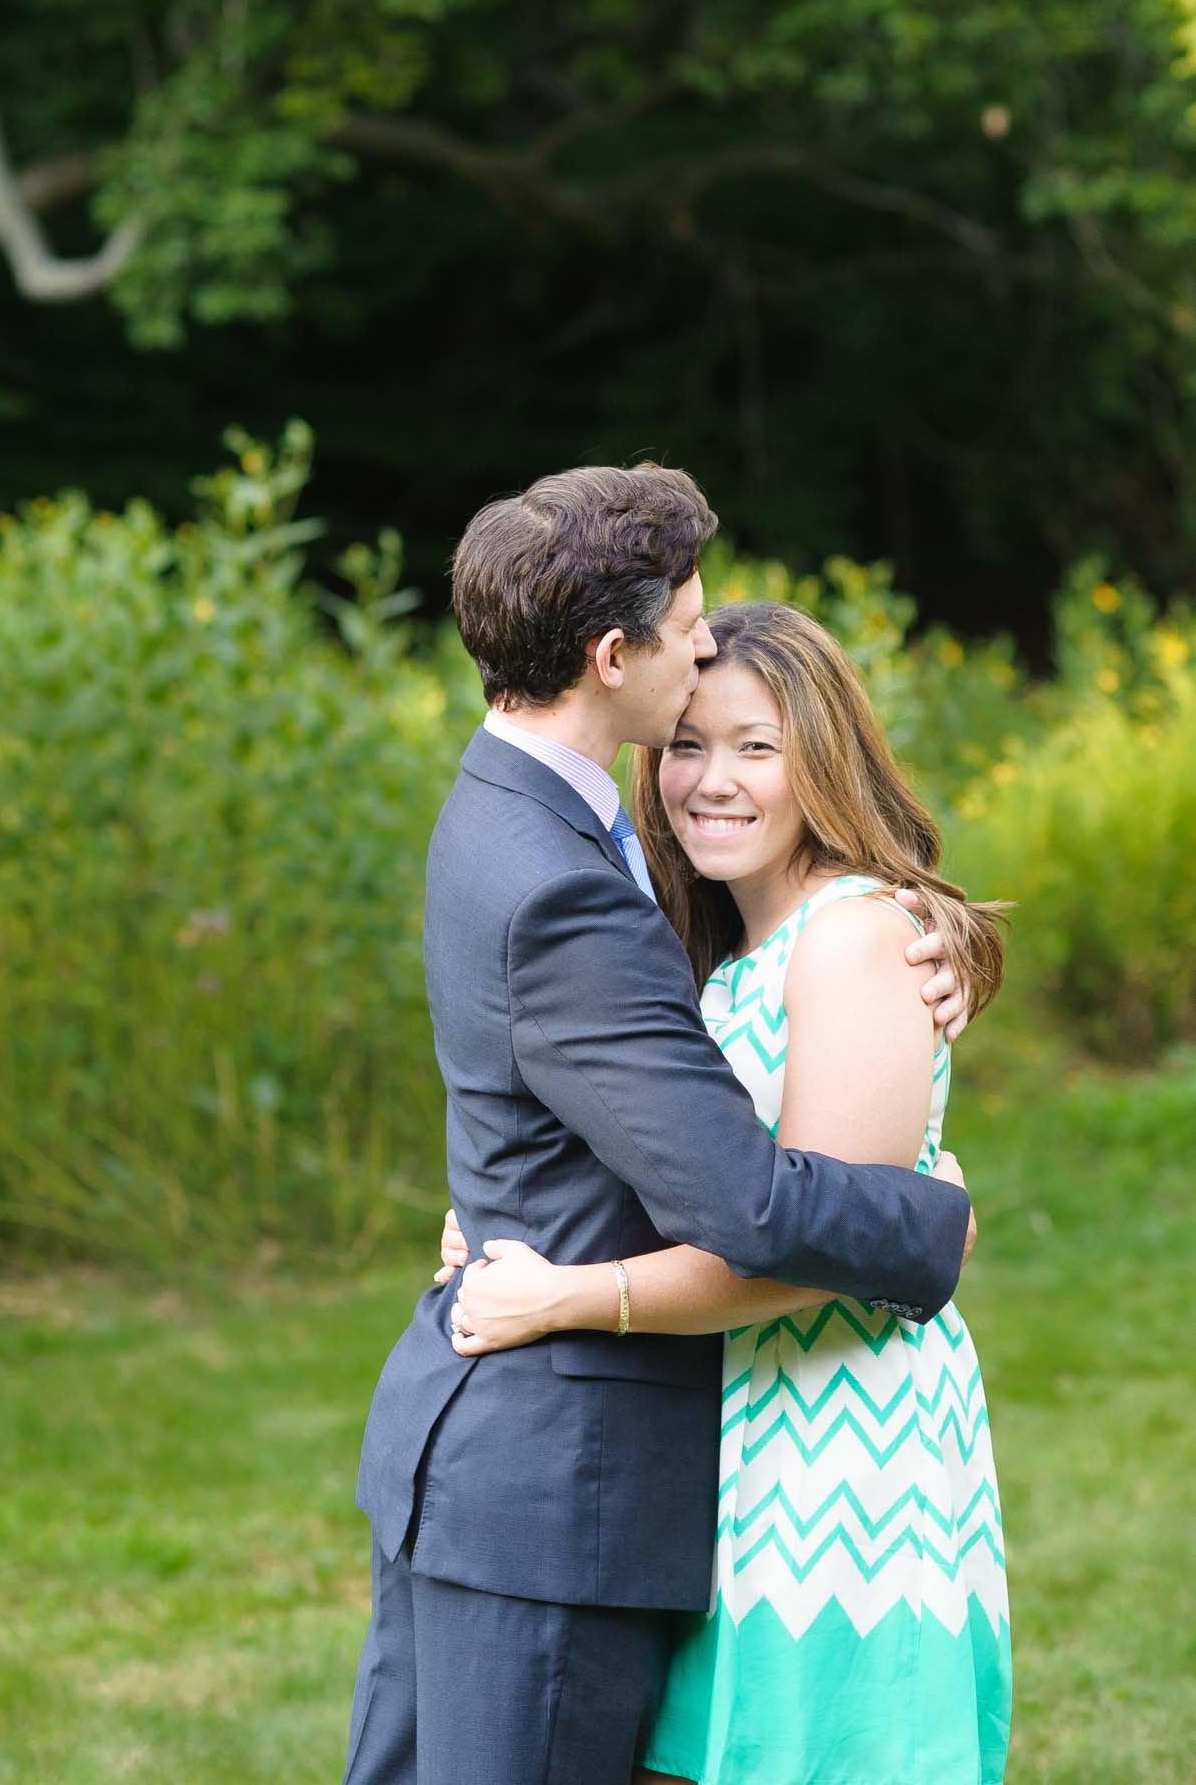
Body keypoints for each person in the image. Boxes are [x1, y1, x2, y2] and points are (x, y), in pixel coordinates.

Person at [345, 466, 976, 1785]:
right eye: (685, 628)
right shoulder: (560, 872)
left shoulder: (515, 812)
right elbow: (743, 1198)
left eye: (756, 744)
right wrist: (932, 1217)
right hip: (555, 1489)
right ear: (610, 652)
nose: (700, 648)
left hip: (658, 1463)